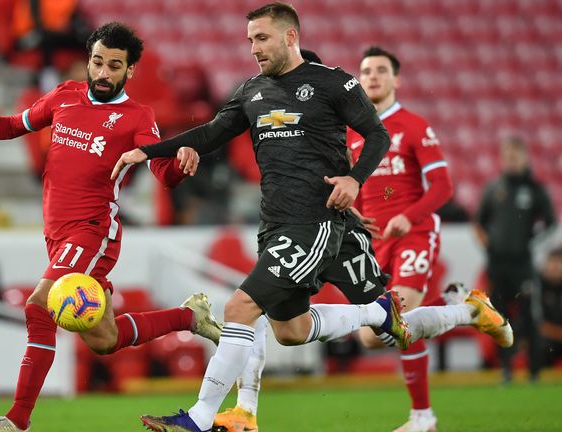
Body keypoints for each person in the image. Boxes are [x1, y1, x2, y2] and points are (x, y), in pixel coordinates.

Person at [113, 5, 512, 431]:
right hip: (277, 226)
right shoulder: (251, 91)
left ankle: (201, 418)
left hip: (315, 223)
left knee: (240, 306)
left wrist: (356, 180)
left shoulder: (334, 82)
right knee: (298, 331)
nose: (253, 48)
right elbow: (211, 132)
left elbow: (377, 135)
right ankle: (465, 312)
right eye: (249, 40)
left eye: (261, 38)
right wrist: (150, 151)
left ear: (290, 37)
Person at [0, 22, 222, 432]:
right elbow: (17, 124)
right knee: (104, 340)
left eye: (114, 66)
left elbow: (162, 171)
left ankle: (16, 421)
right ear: (88, 61)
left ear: (130, 71)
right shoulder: (65, 96)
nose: (104, 73)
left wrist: (179, 163)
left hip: (93, 231)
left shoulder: (137, 116)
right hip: (57, 235)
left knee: (40, 303)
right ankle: (188, 316)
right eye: (98, 62)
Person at [345, 45, 454, 432]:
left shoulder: (413, 125)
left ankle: (422, 416)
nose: (372, 76)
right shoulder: (355, 134)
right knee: (371, 338)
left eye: (380, 70)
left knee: (397, 314)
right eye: (365, 71)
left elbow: (443, 186)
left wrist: (409, 217)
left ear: (396, 79)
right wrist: (351, 211)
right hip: (374, 245)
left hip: (414, 233)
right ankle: (457, 308)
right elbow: (354, 189)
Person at [476, 136, 556, 383]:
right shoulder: (494, 188)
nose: (510, 160)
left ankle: (534, 370)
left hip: (523, 264)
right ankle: (506, 369)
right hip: (498, 265)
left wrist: (532, 242)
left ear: (524, 157)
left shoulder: (535, 189)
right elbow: (479, 222)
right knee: (499, 317)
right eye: (507, 156)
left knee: (529, 316)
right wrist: (489, 248)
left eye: (514, 155)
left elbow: (551, 222)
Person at [540, 248, 562, 368]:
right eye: (551, 263)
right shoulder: (537, 288)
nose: (554, 268)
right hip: (547, 339)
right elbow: (539, 325)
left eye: (558, 263)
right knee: (545, 346)